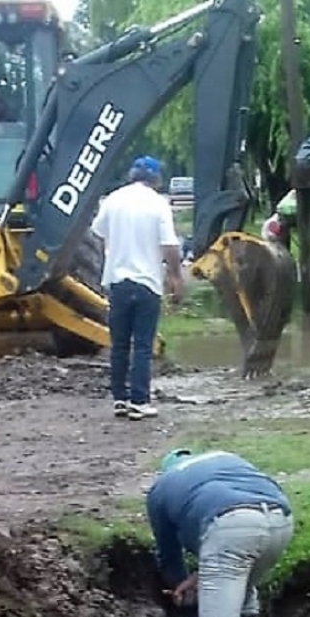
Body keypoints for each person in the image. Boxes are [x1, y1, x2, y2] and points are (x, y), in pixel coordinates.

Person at [146, 448, 294, 617]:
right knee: (243, 589)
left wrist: (179, 589)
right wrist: (202, 577)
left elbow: (169, 553)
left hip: (229, 524)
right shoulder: (224, 457)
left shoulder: (161, 487)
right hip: (280, 521)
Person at [91, 155, 184, 421]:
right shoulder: (158, 203)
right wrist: (176, 277)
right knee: (142, 344)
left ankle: (120, 398)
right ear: (156, 179)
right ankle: (140, 401)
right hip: (146, 283)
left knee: (119, 344)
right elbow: (170, 245)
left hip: (117, 282)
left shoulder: (113, 199)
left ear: (132, 175)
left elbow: (97, 234)